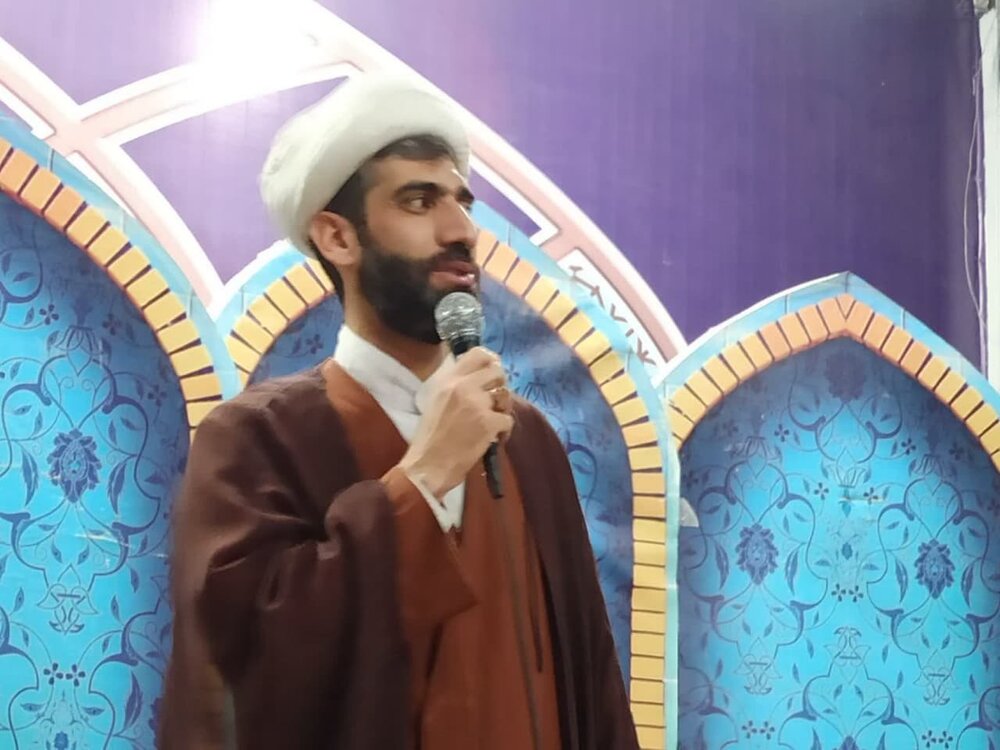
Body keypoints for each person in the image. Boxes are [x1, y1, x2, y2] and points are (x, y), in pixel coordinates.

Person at [159, 74, 638, 750]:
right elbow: (246, 671)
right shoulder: (257, 438)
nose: (461, 230)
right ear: (338, 237)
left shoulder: (526, 439)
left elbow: (592, 685)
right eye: (419, 201)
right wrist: (422, 480)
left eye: (461, 203)